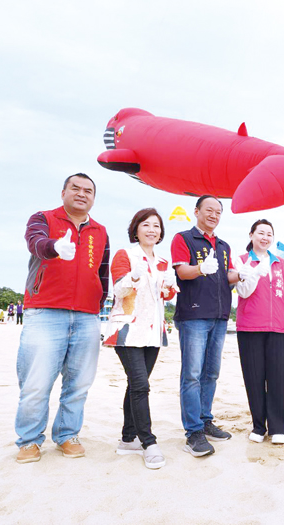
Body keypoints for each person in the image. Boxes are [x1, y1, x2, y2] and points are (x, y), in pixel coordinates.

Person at [14, 173, 110, 464]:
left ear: (94, 197)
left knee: (79, 383)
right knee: (36, 381)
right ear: (63, 192)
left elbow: (102, 272)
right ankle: (29, 440)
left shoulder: (100, 230)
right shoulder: (43, 217)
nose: (82, 194)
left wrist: (98, 305)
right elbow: (35, 243)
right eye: (76, 188)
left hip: (86, 315)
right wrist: (54, 247)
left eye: (88, 191)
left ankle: (67, 435)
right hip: (45, 311)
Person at [103, 208, 177, 469]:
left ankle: (127, 439)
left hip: (153, 330)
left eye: (156, 226)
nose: (151, 230)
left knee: (136, 385)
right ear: (136, 229)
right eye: (146, 225)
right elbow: (118, 290)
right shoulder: (126, 254)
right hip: (127, 329)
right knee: (141, 385)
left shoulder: (163, 260)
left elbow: (164, 296)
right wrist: (133, 276)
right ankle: (148, 441)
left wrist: (170, 286)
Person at [171, 195, 239, 457]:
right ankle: (193, 431)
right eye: (208, 210)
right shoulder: (184, 238)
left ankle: (205, 419)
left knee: (211, 373)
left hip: (220, 316)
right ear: (196, 211)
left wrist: (245, 273)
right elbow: (181, 271)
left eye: (218, 212)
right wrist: (200, 268)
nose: (213, 215)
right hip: (194, 315)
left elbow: (228, 275)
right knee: (192, 374)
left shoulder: (223, 245)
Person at [235, 219, 284, 444]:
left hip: (279, 327)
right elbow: (243, 291)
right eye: (261, 233)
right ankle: (259, 426)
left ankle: (279, 428)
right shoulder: (241, 260)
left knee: (280, 377)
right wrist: (254, 272)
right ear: (251, 235)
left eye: (269, 233)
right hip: (250, 327)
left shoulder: (280, 262)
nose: (265, 237)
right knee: (254, 377)